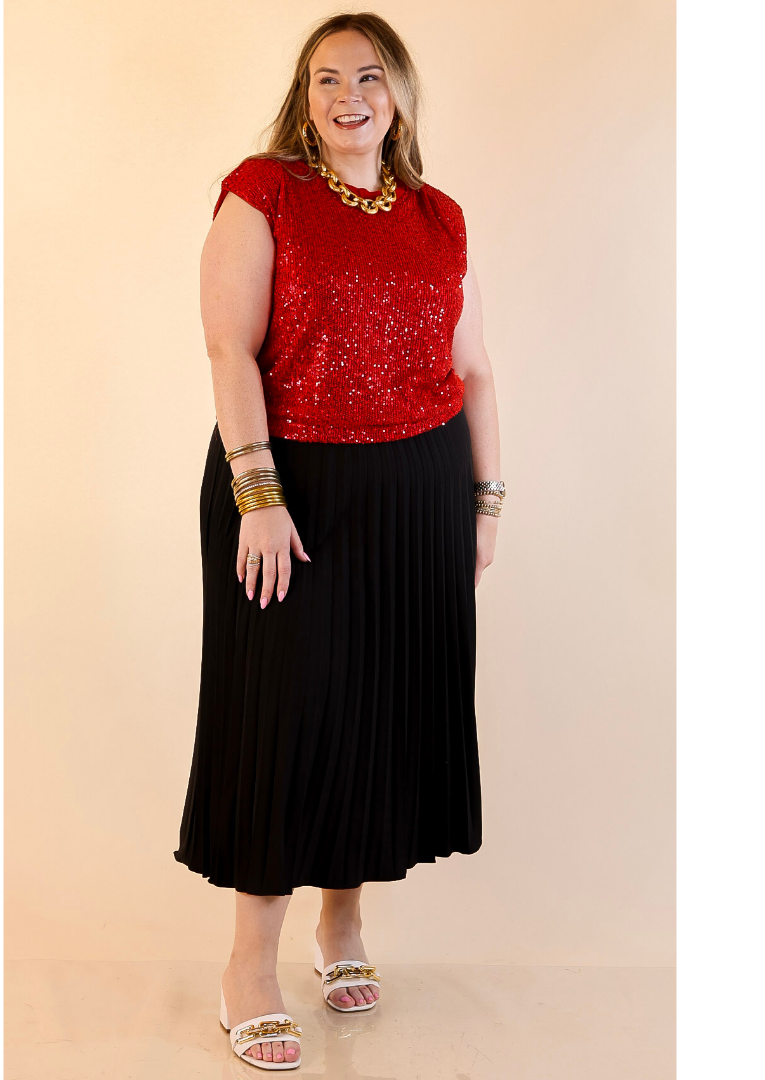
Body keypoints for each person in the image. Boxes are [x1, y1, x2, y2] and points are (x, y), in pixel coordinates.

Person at [174, 11, 505, 1070]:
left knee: (381, 713)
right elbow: (228, 347)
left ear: (398, 94)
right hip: (292, 490)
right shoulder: (264, 191)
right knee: (286, 716)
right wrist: (257, 492)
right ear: (304, 96)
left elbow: (473, 369)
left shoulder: (439, 217)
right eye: (326, 78)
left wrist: (485, 501)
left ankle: (343, 927)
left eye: (369, 76)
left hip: (418, 493)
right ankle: (248, 969)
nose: (347, 96)